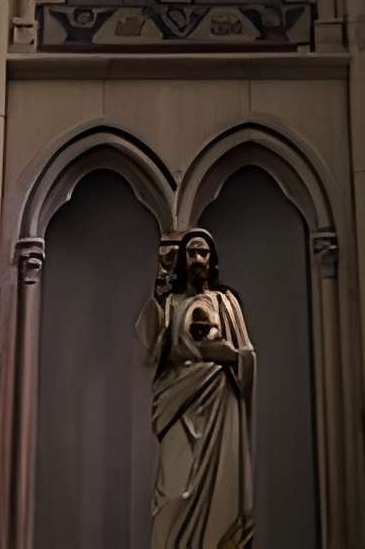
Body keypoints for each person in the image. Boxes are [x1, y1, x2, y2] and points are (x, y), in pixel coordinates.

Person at [136, 228, 255, 549]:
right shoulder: (171, 304)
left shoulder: (226, 303)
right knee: (172, 496)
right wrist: (157, 296)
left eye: (203, 253)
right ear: (182, 260)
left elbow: (246, 355)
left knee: (222, 494)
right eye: (192, 253)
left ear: (212, 261)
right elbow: (150, 348)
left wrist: (226, 355)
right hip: (179, 406)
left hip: (219, 407)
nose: (198, 259)